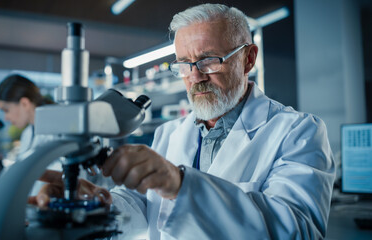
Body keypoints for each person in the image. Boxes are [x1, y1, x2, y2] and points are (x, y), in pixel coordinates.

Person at [34, 3, 335, 239]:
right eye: (184, 64)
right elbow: (144, 206)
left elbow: (297, 231)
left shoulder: (299, 132)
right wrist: (96, 205)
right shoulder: (170, 133)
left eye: (208, 60)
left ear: (248, 59)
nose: (195, 76)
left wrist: (180, 185)